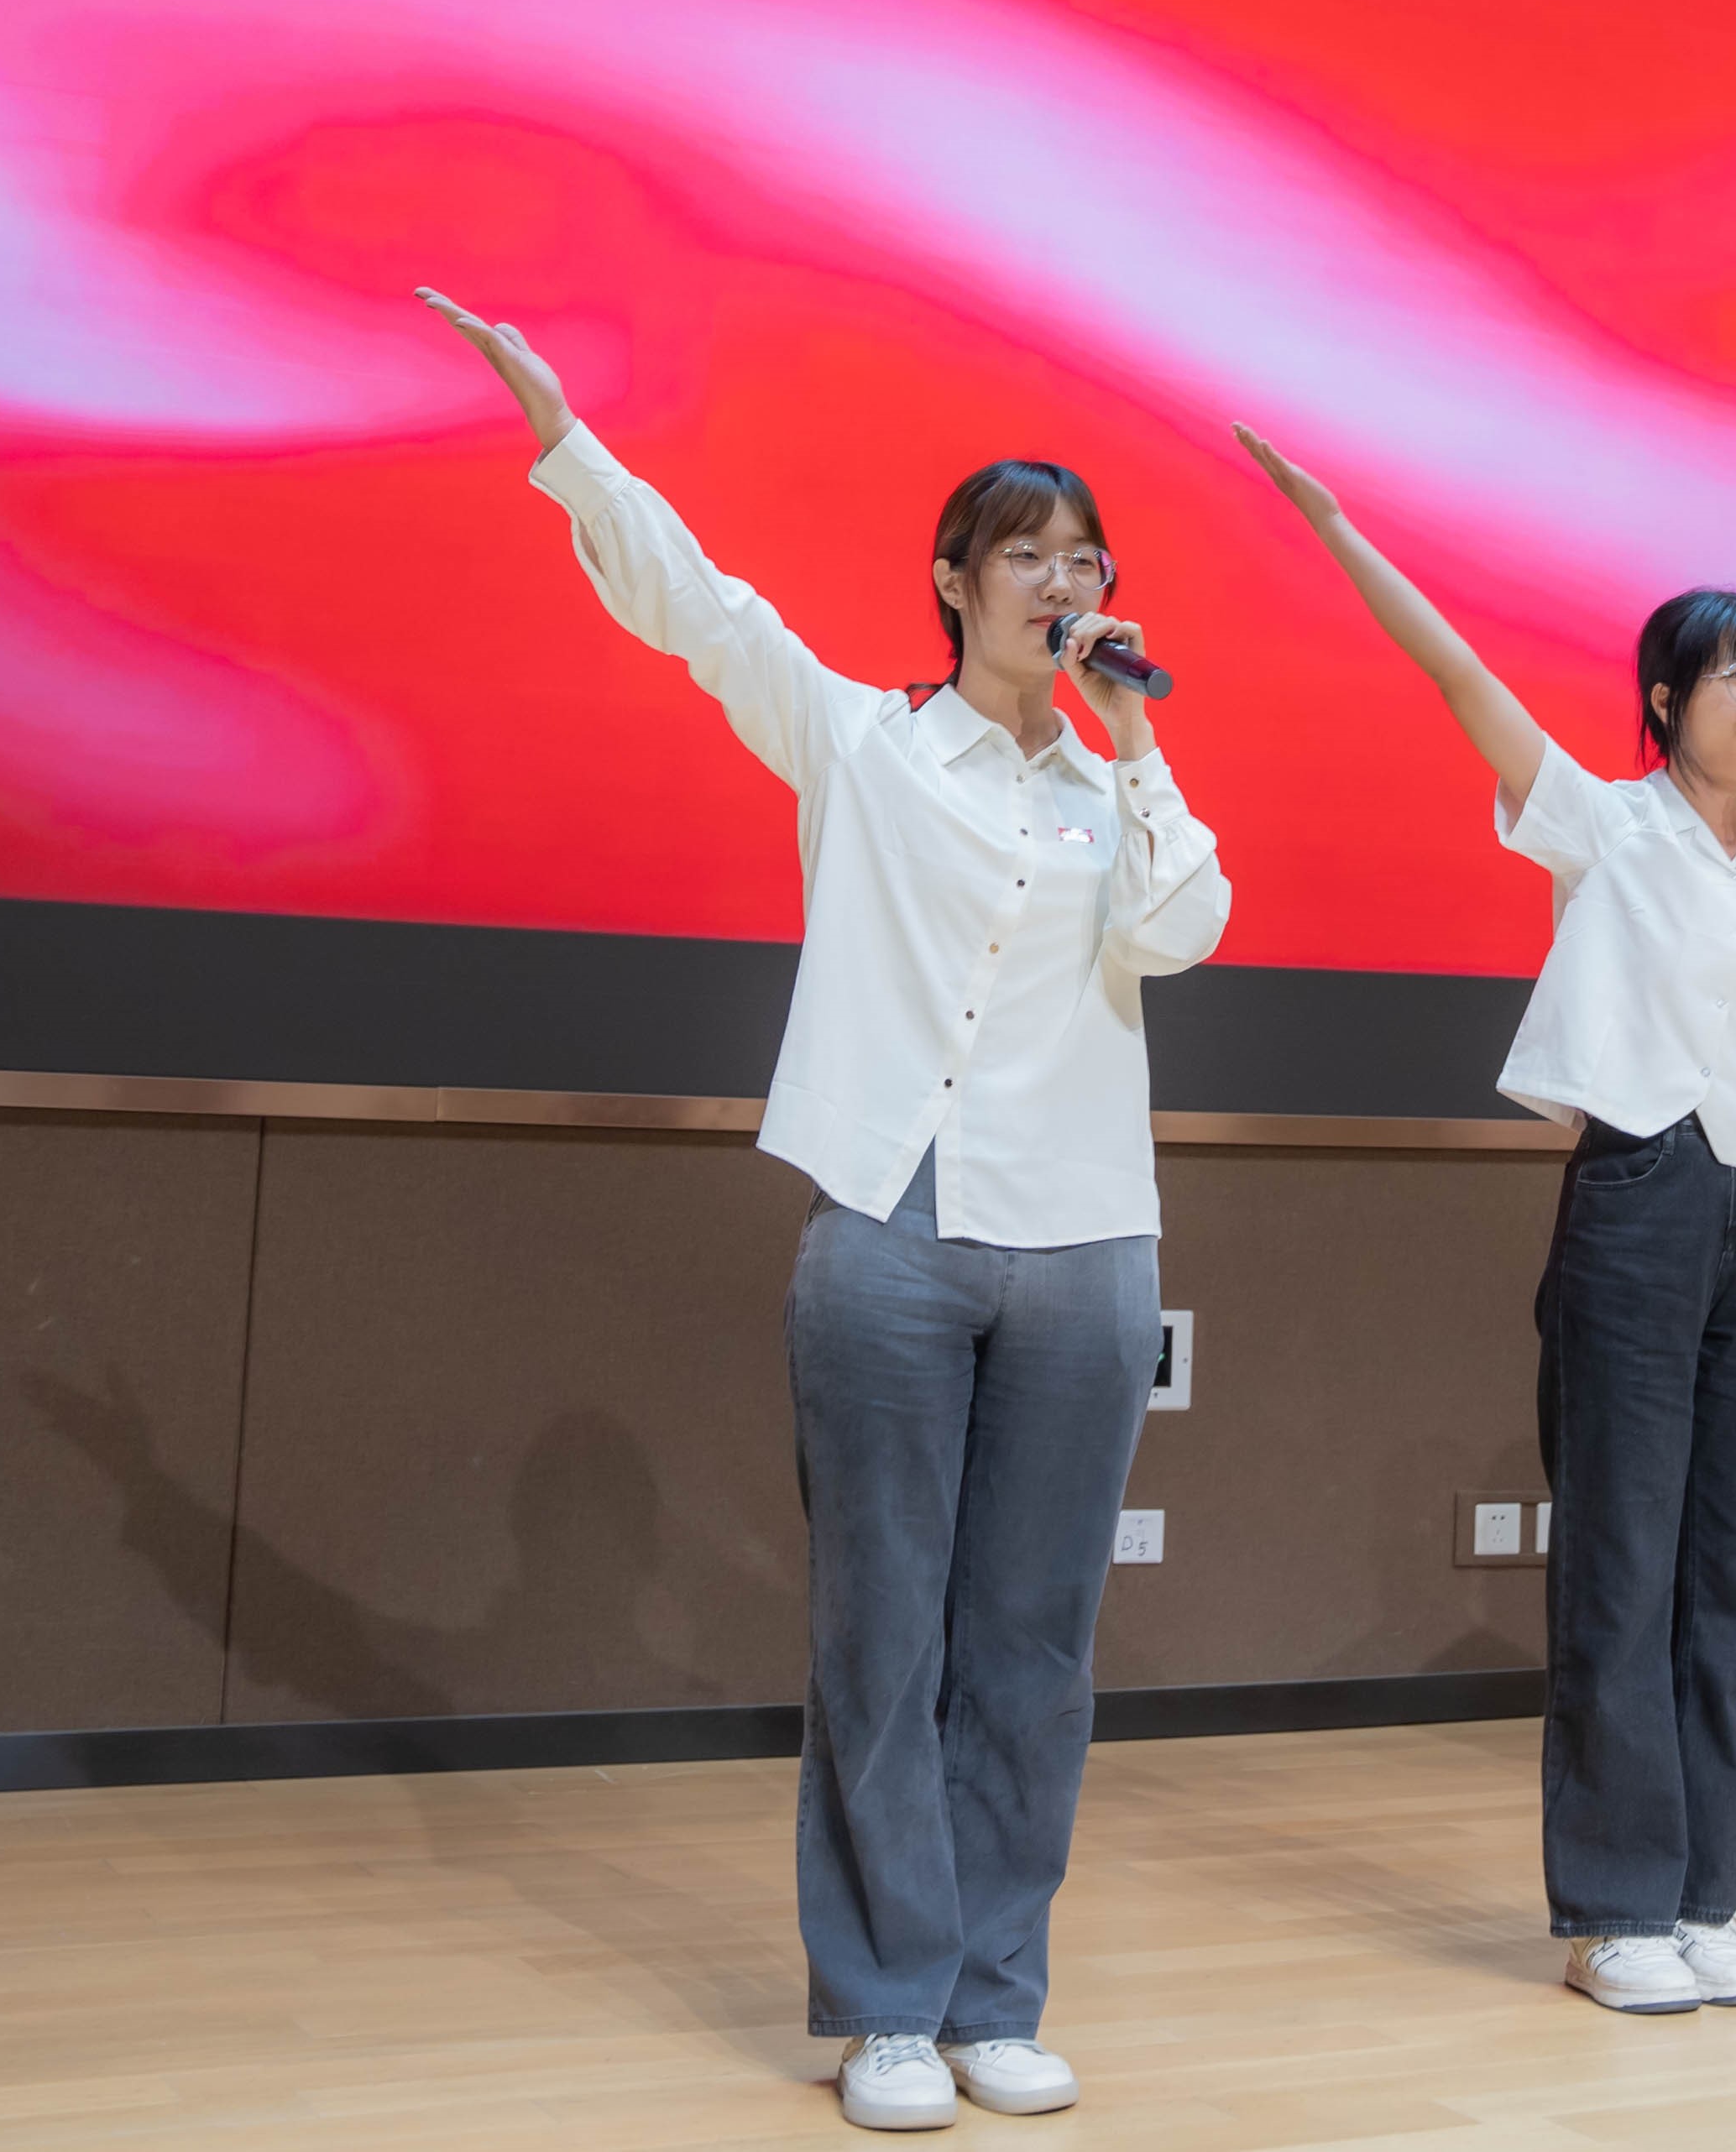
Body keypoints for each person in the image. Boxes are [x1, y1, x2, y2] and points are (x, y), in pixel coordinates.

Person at [421, 291, 1221, 2134]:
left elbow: (1185, 922)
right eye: (1027, 553)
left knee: (1035, 1641)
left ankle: (996, 1993)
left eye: (1084, 558)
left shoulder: (1112, 794)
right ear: (953, 577)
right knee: (884, 1628)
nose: (1062, 580)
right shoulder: (865, 742)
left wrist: (1134, 737)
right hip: (889, 1222)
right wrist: (563, 435)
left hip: (1086, 1239)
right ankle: (884, 2001)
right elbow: (697, 604)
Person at [1231, 425, 1736, 2015]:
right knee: (1623, 1558)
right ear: (1665, 697)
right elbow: (1459, 678)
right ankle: (1614, 1904)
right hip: (1642, 1186)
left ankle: (1707, 1890)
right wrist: (1340, 525)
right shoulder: (1605, 823)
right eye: (1734, 672)